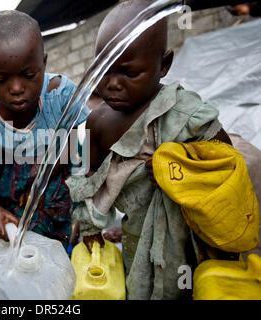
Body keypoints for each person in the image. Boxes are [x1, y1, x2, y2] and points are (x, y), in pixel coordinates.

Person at [67, 0, 234, 300]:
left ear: (164, 65)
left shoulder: (185, 112)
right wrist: (90, 226)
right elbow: (84, 174)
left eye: (129, 74)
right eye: (104, 71)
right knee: (138, 285)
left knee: (195, 286)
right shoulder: (98, 122)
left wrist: (178, 165)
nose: (113, 85)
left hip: (189, 234)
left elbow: (224, 156)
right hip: (136, 232)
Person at [0, 10, 89, 250]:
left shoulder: (61, 95)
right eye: (0, 80)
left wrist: (83, 213)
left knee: (64, 246)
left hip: (57, 183)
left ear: (43, 63)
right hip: (11, 198)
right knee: (20, 250)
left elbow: (80, 153)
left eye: (29, 75)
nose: (16, 88)